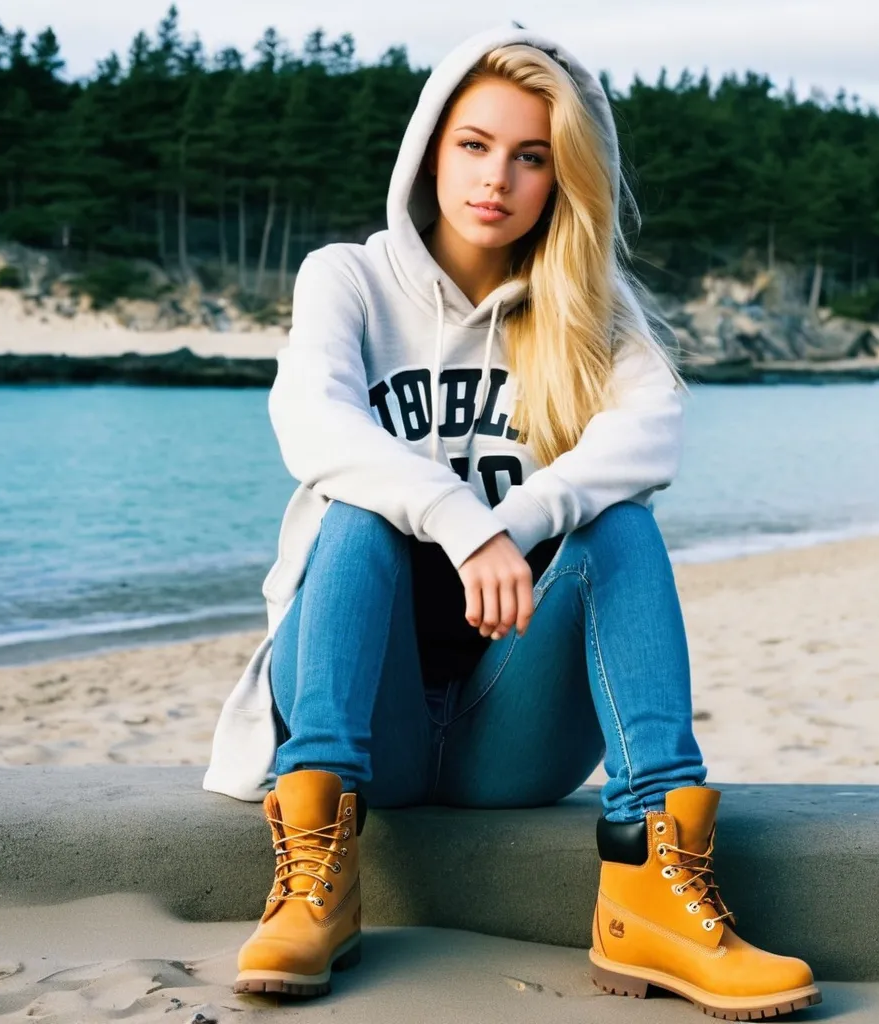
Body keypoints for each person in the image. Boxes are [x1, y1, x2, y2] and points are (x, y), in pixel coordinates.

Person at [203, 23, 822, 1019]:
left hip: (511, 730)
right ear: (428, 150)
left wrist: (525, 514)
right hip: (373, 723)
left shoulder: (586, 306)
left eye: (531, 156)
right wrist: (462, 521)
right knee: (356, 511)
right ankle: (317, 869)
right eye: (474, 144)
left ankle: (650, 881)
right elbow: (311, 422)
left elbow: (651, 436)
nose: (497, 177)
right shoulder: (347, 279)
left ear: (561, 176)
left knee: (617, 523)